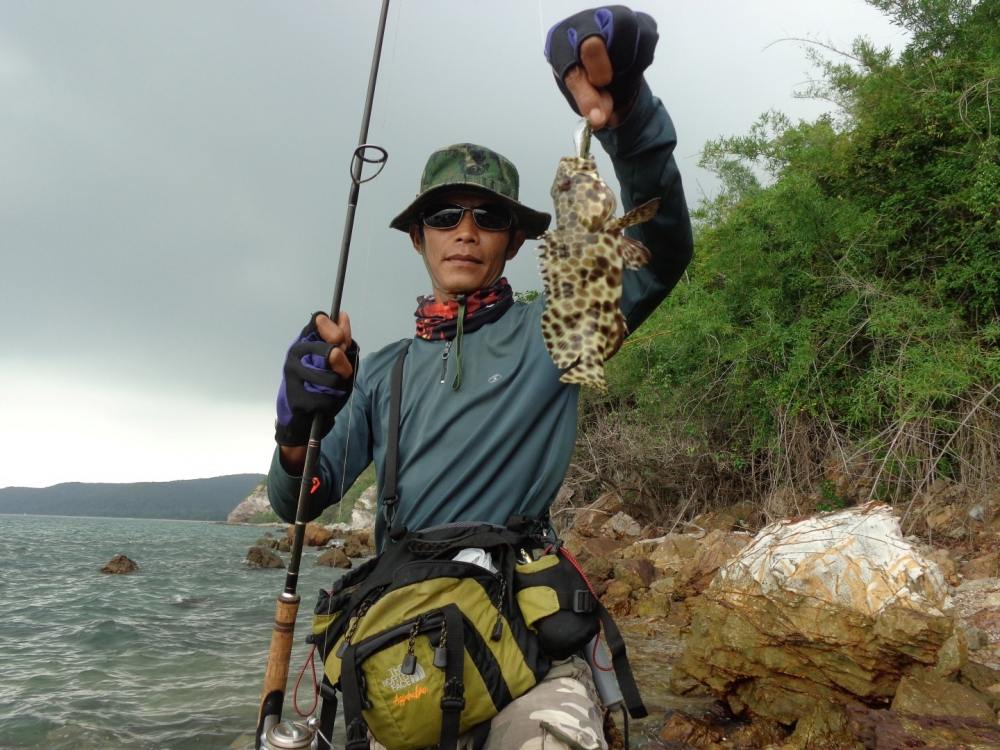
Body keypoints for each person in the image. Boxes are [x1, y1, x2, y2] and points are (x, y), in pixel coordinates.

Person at [268, 6, 693, 749]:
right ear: (417, 236)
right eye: (445, 215)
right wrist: (298, 423)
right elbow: (299, 501)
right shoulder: (387, 372)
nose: (465, 230)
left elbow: (662, 248)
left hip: (528, 640)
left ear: (517, 239)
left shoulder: (556, 328)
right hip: (404, 638)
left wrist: (627, 116)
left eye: (487, 217)